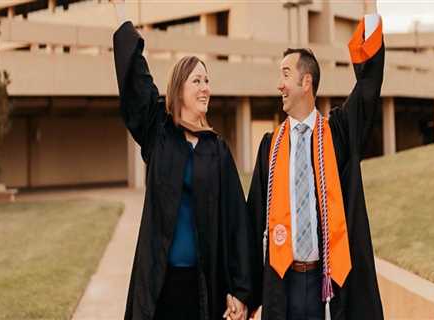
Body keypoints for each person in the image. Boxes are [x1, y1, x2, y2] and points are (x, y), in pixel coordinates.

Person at [111, 2, 251, 320]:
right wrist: (121, 12)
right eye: (197, 81)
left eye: (206, 81)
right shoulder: (160, 133)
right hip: (160, 283)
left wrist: (241, 291)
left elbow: (236, 224)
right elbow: (137, 79)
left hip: (203, 286)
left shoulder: (217, 150)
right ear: (180, 88)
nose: (205, 88)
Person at [247, 14, 385, 320]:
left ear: (306, 81)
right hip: (284, 283)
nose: (279, 84)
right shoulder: (270, 146)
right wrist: (244, 292)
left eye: (285, 74)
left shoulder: (336, 133)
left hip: (328, 281)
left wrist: (372, 20)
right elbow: (252, 222)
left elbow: (366, 93)